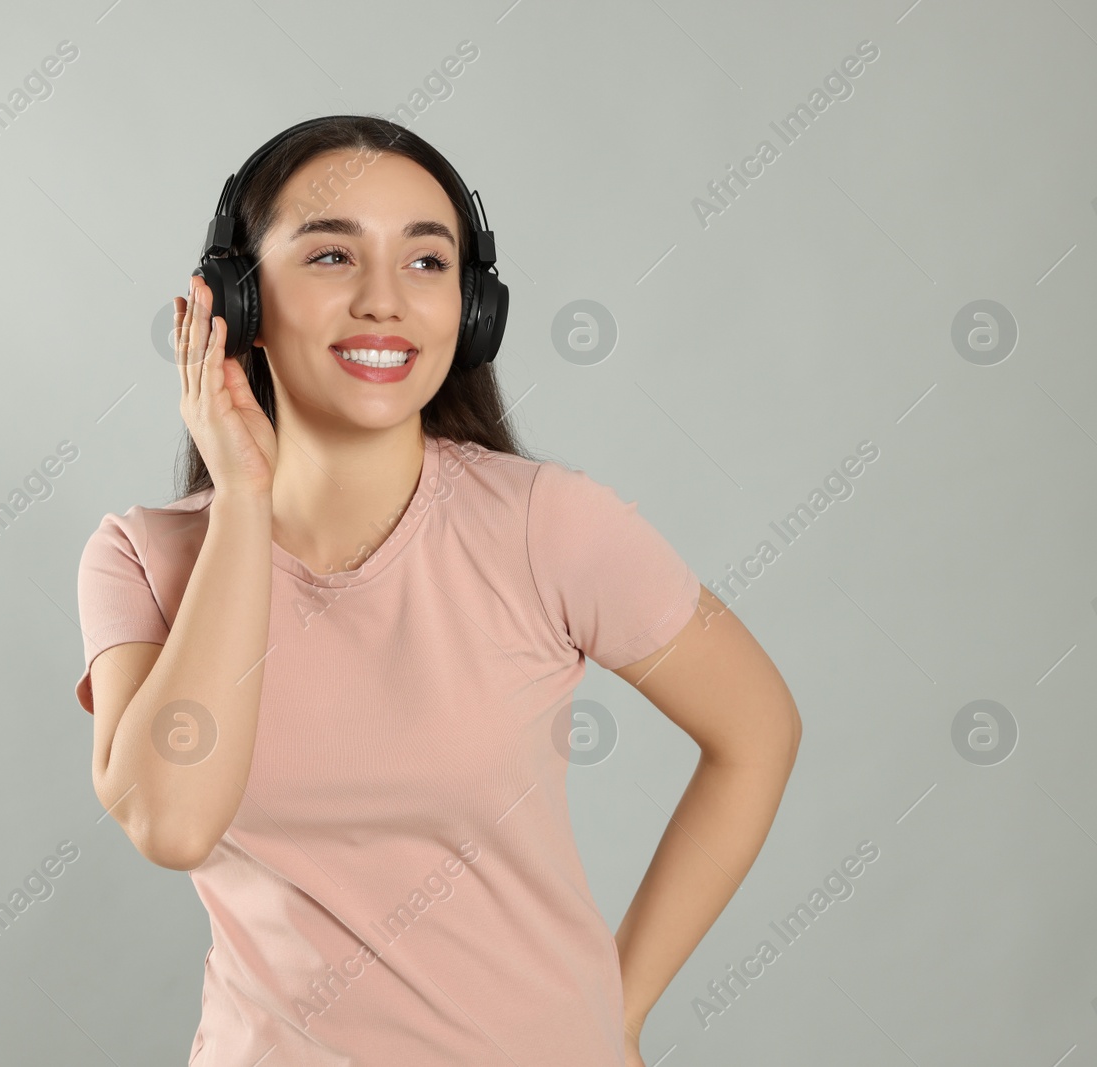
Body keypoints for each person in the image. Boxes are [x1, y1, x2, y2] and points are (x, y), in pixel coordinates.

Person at [76, 115, 800, 1066]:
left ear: (473, 308)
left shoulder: (549, 525)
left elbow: (758, 730)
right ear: (231, 305)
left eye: (427, 263)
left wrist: (615, 1012)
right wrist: (243, 501)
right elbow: (170, 821)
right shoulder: (140, 557)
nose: (385, 300)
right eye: (332, 254)